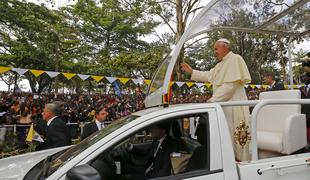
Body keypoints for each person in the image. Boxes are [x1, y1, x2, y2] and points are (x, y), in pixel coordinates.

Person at [181, 38, 252, 161]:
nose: (214, 52)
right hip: (223, 106)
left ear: (225, 47)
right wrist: (192, 71)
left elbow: (230, 86)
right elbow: (208, 75)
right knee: (225, 137)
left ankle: (240, 163)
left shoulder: (235, 59)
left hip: (234, 105)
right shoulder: (220, 64)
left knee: (235, 137)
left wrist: (212, 101)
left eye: (216, 48)